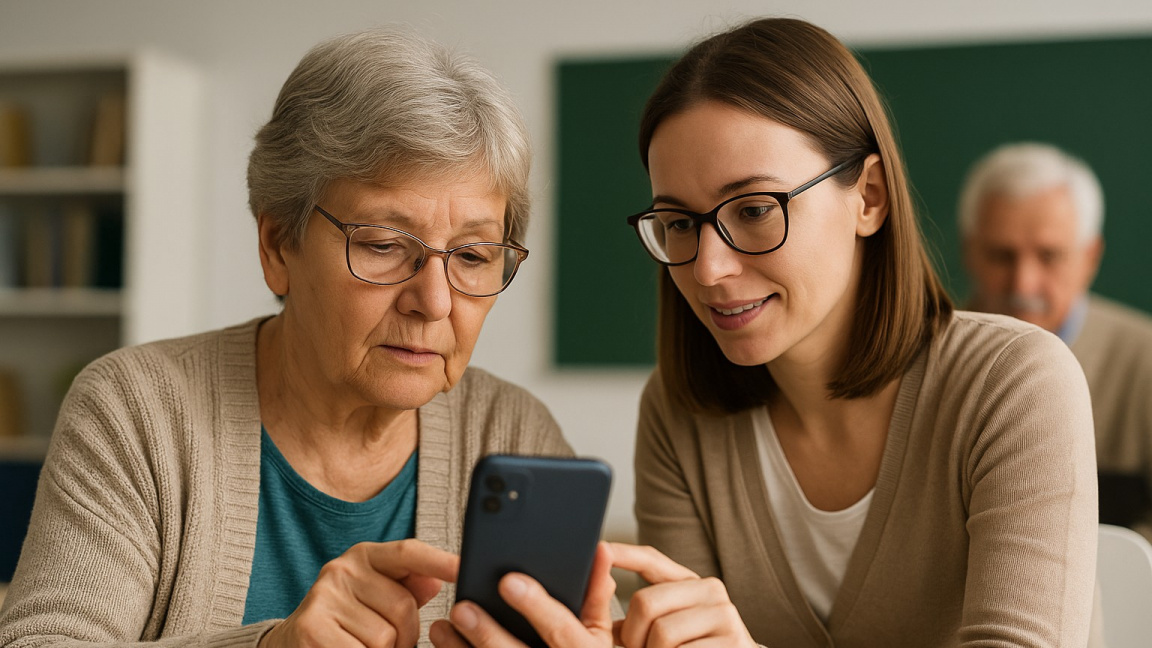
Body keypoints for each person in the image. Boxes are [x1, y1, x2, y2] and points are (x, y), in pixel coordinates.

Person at [432, 17, 1100, 648]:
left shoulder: (1014, 384)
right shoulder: (679, 416)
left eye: (754, 210)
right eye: (681, 224)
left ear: (868, 197)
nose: (710, 270)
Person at [0, 28, 573, 647]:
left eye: (472, 255)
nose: (434, 302)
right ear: (278, 245)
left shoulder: (513, 436)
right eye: (382, 244)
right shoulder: (139, 412)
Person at [960, 142, 1152, 539]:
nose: (1023, 283)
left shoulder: (1144, 360)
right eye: (1001, 256)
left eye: (1048, 256)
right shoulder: (916, 354)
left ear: (1090, 257)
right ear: (969, 253)